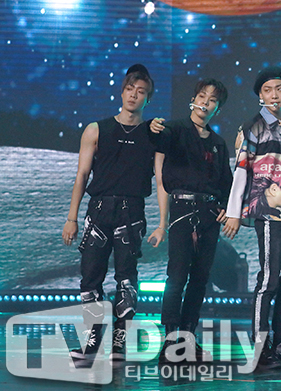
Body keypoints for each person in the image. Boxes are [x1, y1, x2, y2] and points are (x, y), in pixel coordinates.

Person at [62, 64, 166, 362]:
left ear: (148, 98)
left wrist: (162, 223)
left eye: (141, 92)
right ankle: (92, 344)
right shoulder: (96, 129)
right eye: (130, 89)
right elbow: (82, 175)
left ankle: (119, 344)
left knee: (127, 280)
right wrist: (71, 218)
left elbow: (161, 181)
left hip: (131, 213)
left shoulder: (154, 135)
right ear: (121, 92)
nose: (134, 95)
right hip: (98, 211)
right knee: (90, 279)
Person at [223, 67, 281, 369]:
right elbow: (241, 169)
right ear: (260, 96)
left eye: (279, 88)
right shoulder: (254, 127)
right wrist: (234, 212)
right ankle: (260, 348)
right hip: (270, 209)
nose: (274, 95)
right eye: (267, 90)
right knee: (269, 279)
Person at [149, 78, 233, 362]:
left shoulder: (218, 143)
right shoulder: (174, 129)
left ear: (217, 109)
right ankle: (170, 339)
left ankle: (188, 337)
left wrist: (226, 207)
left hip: (209, 214)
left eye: (212, 100)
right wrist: (153, 127)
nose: (205, 103)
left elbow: (226, 183)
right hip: (183, 209)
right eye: (201, 96)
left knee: (200, 279)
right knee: (177, 276)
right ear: (193, 99)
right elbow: (156, 139)